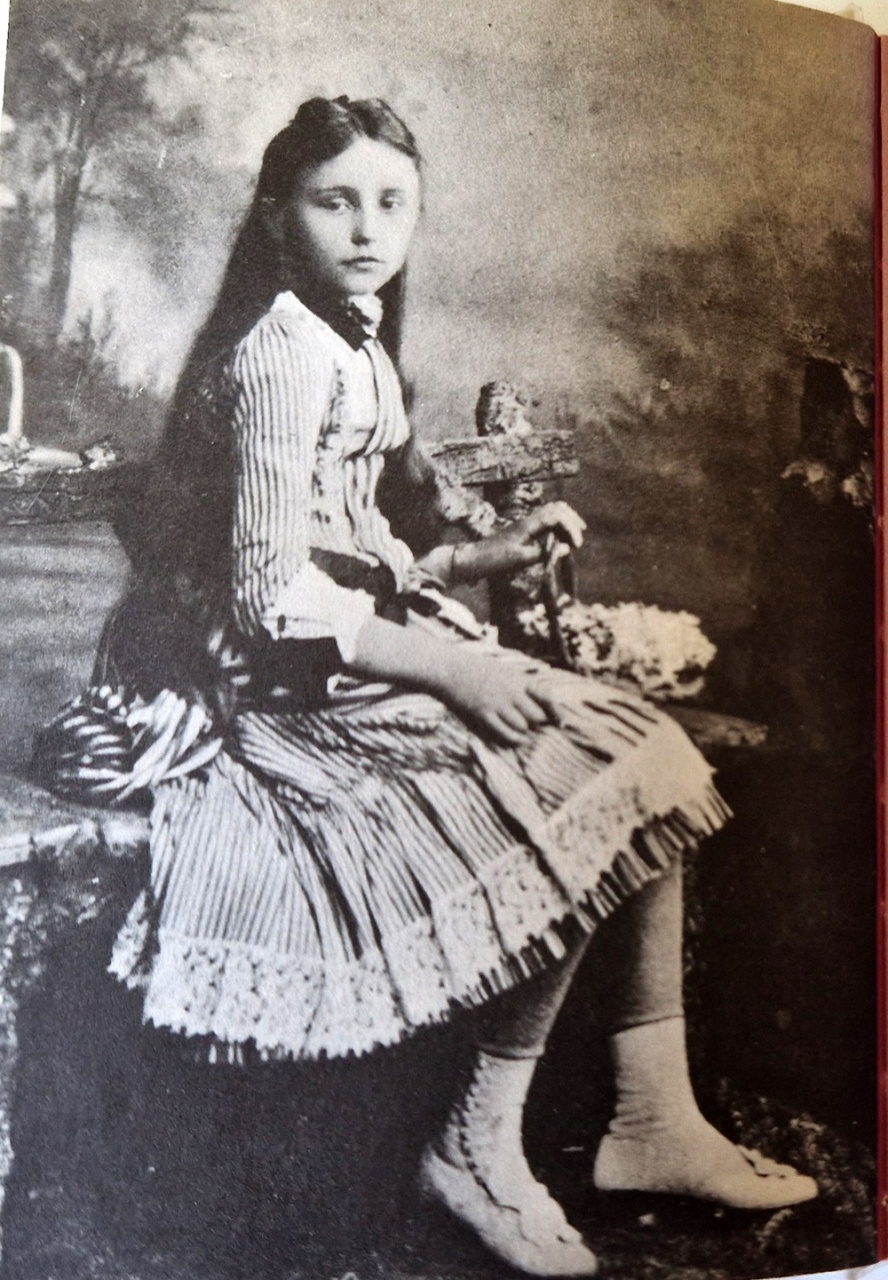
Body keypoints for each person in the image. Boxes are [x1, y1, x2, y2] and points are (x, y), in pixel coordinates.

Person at [50, 97, 818, 1277]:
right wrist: (457, 663)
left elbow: (352, 545)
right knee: (599, 768)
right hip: (281, 696)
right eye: (336, 201)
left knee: (645, 751)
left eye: (391, 203)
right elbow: (271, 595)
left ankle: (653, 1115)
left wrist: (473, 560)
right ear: (277, 215)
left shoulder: (351, 343)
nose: (368, 229)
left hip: (358, 656)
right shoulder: (277, 352)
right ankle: (477, 1140)